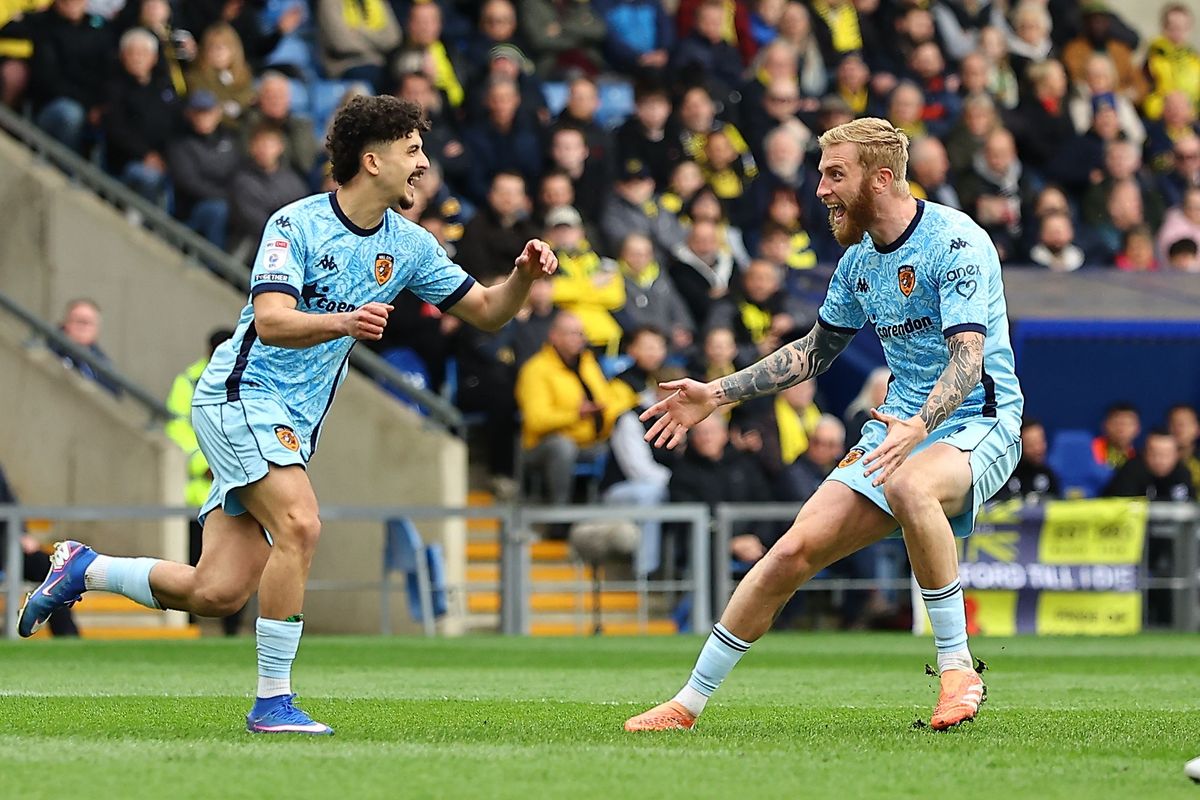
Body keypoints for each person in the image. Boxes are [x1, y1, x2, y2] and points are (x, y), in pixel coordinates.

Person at [18, 95, 559, 736]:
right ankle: (273, 704)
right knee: (301, 524)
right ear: (372, 160)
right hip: (239, 397)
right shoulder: (295, 225)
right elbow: (272, 321)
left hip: (288, 424)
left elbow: (491, 312)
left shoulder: (411, 246)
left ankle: (87, 567)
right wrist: (343, 320)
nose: (424, 165)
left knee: (215, 592)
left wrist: (524, 275)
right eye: (412, 151)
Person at [624, 117, 1023, 733]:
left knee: (912, 486)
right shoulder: (860, 261)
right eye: (820, 174)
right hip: (897, 430)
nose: (820, 190)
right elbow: (813, 352)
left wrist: (919, 424)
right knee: (792, 551)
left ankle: (957, 669)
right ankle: (687, 704)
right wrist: (717, 393)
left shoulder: (957, 243)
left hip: (978, 417)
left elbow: (969, 360)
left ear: (882, 178)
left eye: (835, 175)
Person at [164, 328, 242, 635]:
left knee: (239, 558)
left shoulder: (248, 373)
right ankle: (190, 625)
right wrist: (207, 460)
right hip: (197, 491)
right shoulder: (189, 381)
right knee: (194, 561)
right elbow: (177, 428)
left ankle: (232, 630)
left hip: (238, 485)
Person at [515, 311, 632, 506]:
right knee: (563, 447)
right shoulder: (536, 370)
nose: (579, 339)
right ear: (554, 336)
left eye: (581, 333)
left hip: (590, 441)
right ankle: (559, 515)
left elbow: (605, 399)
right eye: (572, 333)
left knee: (624, 439)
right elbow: (536, 420)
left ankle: (608, 510)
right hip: (542, 445)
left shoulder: (588, 363)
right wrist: (576, 414)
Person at [0, 463, 78, 637]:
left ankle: (67, 635)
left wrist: (21, 534)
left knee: (49, 568)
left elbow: (10, 506)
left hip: (4, 544)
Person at [1102, 429, 1195, 502]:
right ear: (1144, 453)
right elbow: (1121, 509)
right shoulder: (1131, 471)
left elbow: (1190, 509)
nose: (1160, 460)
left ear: (1176, 455)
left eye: (1166, 454)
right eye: (1154, 454)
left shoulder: (1182, 473)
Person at [52, 298, 121, 395]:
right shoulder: (50, 349)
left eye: (87, 322)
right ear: (66, 323)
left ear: (96, 329)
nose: (82, 327)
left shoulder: (103, 364)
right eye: (78, 321)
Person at [993, 417, 1061, 502]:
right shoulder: (1001, 477)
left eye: (1041, 442)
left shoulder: (1047, 475)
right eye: (1031, 444)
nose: (1038, 449)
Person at [1093, 402, 1139, 469]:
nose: (1121, 429)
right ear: (1105, 425)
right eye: (1116, 423)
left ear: (1137, 428)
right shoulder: (1090, 451)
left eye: (1127, 424)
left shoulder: (1142, 460)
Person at [1167, 404, 1200, 493]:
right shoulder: (1151, 462)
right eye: (1174, 423)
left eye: (1186, 423)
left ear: (1197, 429)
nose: (1180, 429)